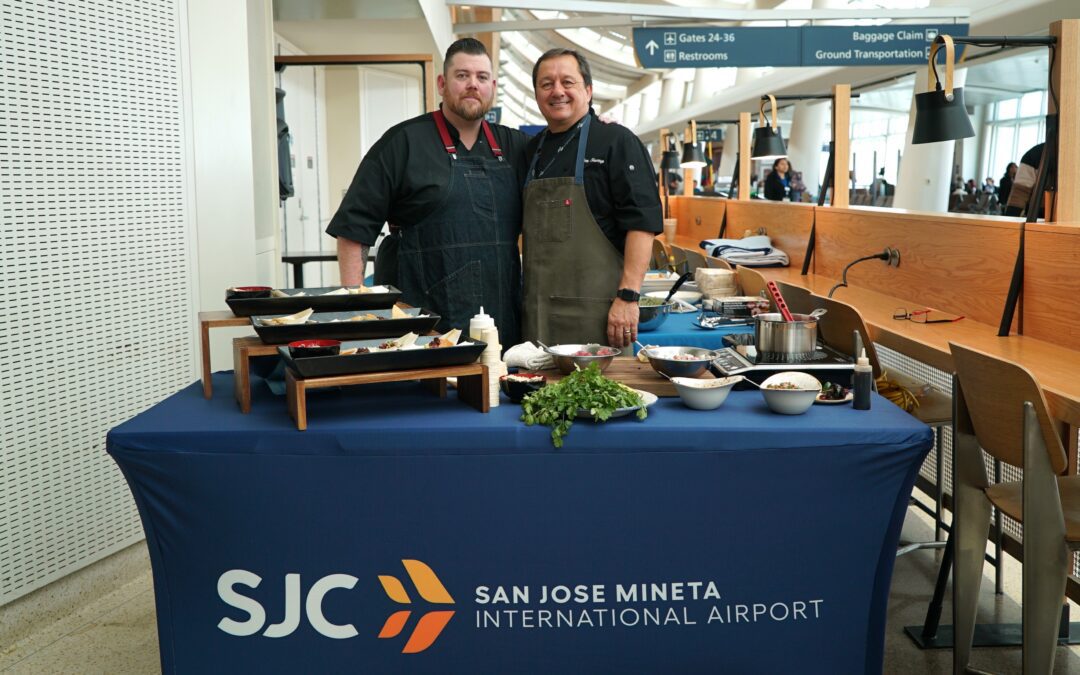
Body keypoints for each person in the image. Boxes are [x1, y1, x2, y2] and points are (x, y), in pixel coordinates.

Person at [325, 38, 527, 347]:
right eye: (462, 76)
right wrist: (357, 311)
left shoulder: (516, 148)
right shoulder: (403, 143)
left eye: (482, 77)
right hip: (419, 321)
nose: (473, 84)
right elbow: (354, 229)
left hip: (500, 322)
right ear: (442, 83)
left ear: (493, 86)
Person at [521, 48, 662, 348]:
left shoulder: (617, 142)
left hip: (599, 316)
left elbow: (642, 223)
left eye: (567, 82)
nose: (557, 91)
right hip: (537, 316)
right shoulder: (530, 151)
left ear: (588, 90)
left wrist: (628, 297)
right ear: (537, 94)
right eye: (547, 84)